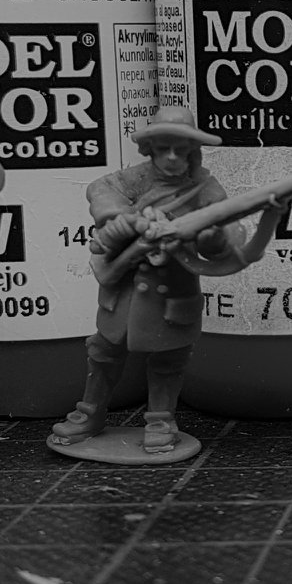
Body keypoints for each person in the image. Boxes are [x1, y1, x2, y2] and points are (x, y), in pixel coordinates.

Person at [50, 106, 256, 456]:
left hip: (171, 291)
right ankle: (90, 413)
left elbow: (229, 233)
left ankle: (161, 421)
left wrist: (209, 237)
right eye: (164, 149)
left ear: (192, 151)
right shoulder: (136, 179)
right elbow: (101, 191)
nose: (172, 157)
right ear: (151, 149)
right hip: (125, 289)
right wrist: (130, 221)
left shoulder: (205, 189)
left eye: (180, 149)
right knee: (103, 352)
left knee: (168, 360)